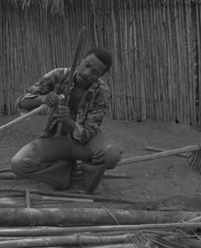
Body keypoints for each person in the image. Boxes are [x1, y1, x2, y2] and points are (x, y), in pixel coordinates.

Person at [11, 47, 122, 193]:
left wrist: (69, 122)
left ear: (101, 75)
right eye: (87, 65)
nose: (86, 73)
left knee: (112, 154)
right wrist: (43, 99)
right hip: (58, 139)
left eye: (94, 72)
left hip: (85, 143)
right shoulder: (58, 75)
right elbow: (21, 102)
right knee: (18, 164)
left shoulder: (102, 91)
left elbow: (89, 133)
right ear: (81, 60)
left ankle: (87, 178)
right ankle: (63, 177)